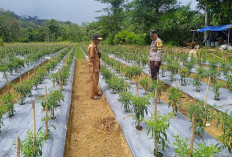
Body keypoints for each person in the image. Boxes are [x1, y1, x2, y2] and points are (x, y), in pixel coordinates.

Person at [87, 34, 103, 100]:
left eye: (99, 40)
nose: (99, 41)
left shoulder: (94, 46)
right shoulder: (92, 47)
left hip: (95, 66)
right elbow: (92, 58)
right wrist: (96, 68)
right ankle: (93, 95)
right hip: (93, 67)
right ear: (94, 40)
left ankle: (95, 93)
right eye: (98, 40)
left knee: (96, 80)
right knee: (94, 80)